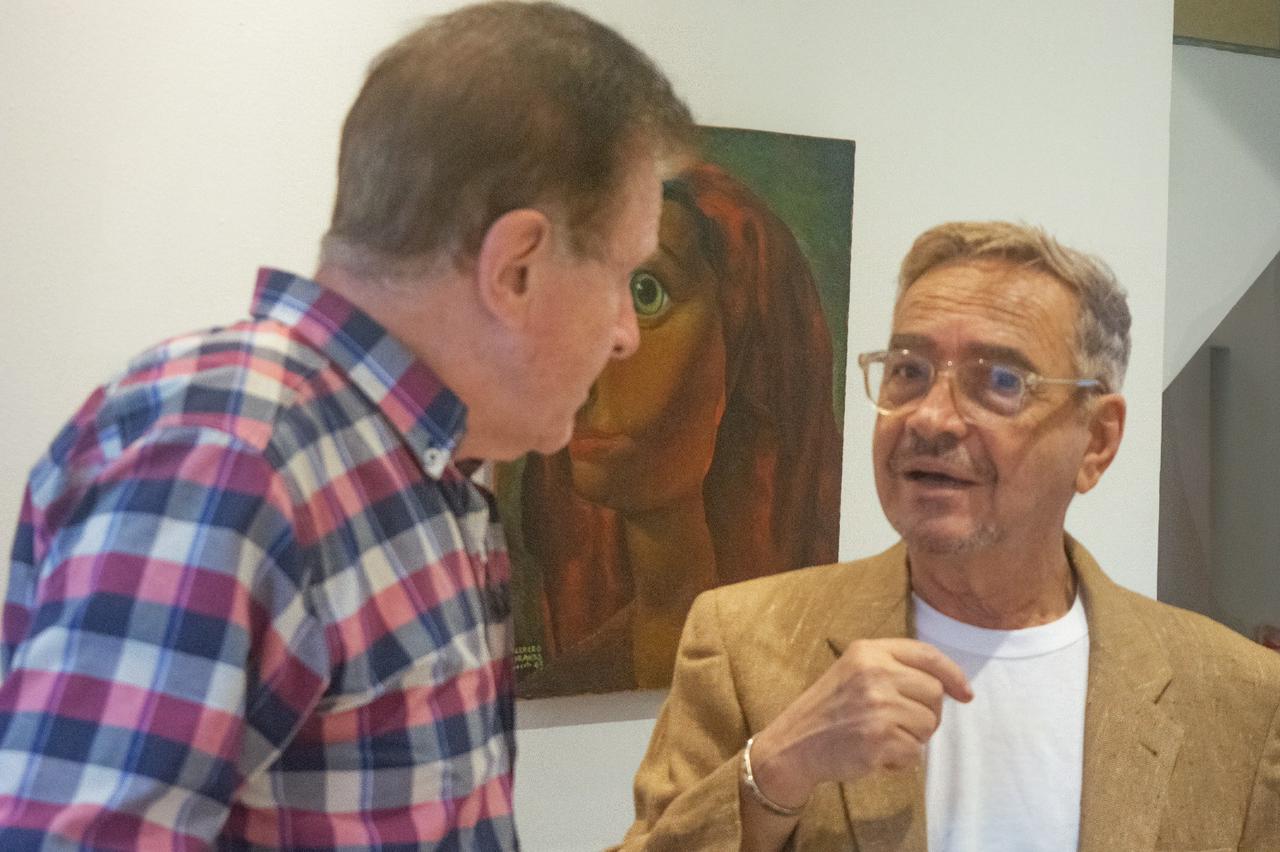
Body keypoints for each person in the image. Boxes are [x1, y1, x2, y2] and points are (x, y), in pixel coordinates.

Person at [0, 3, 694, 848]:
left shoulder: (423, 473)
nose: (624, 332)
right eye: (624, 276)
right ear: (515, 268)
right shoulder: (228, 458)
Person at [617, 221, 1280, 851]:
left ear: (1097, 441)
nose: (930, 418)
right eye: (908, 371)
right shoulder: (742, 644)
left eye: (1001, 381)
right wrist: (777, 769)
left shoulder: (1240, 694)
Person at [511, 163, 842, 695]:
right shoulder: (571, 680)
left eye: (647, 293)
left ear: (746, 341)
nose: (585, 370)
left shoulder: (812, 670)